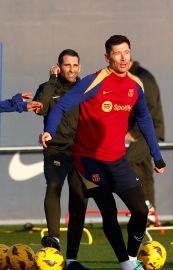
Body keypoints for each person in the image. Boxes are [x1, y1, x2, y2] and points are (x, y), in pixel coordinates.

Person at [41, 35, 166, 270]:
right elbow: (61, 105)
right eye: (117, 53)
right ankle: (127, 265)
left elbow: (145, 120)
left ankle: (130, 256)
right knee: (108, 211)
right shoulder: (94, 81)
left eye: (126, 52)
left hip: (117, 161)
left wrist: (156, 156)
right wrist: (49, 130)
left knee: (140, 210)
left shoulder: (135, 85)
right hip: (89, 161)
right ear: (107, 57)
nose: (122, 57)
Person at [33, 49, 89, 270]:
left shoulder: (86, 87)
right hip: (56, 149)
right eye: (67, 65)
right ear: (58, 66)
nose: (72, 69)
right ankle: (54, 241)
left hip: (82, 151)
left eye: (75, 65)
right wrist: (51, 80)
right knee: (54, 185)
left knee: (79, 199)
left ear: (79, 67)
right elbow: (40, 109)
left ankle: (72, 258)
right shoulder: (49, 86)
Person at [126, 60, 165, 224]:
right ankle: (149, 214)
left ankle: (143, 206)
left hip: (149, 132)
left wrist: (133, 132)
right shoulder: (132, 77)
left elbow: (146, 107)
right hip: (142, 131)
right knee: (143, 170)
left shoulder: (142, 77)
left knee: (126, 160)